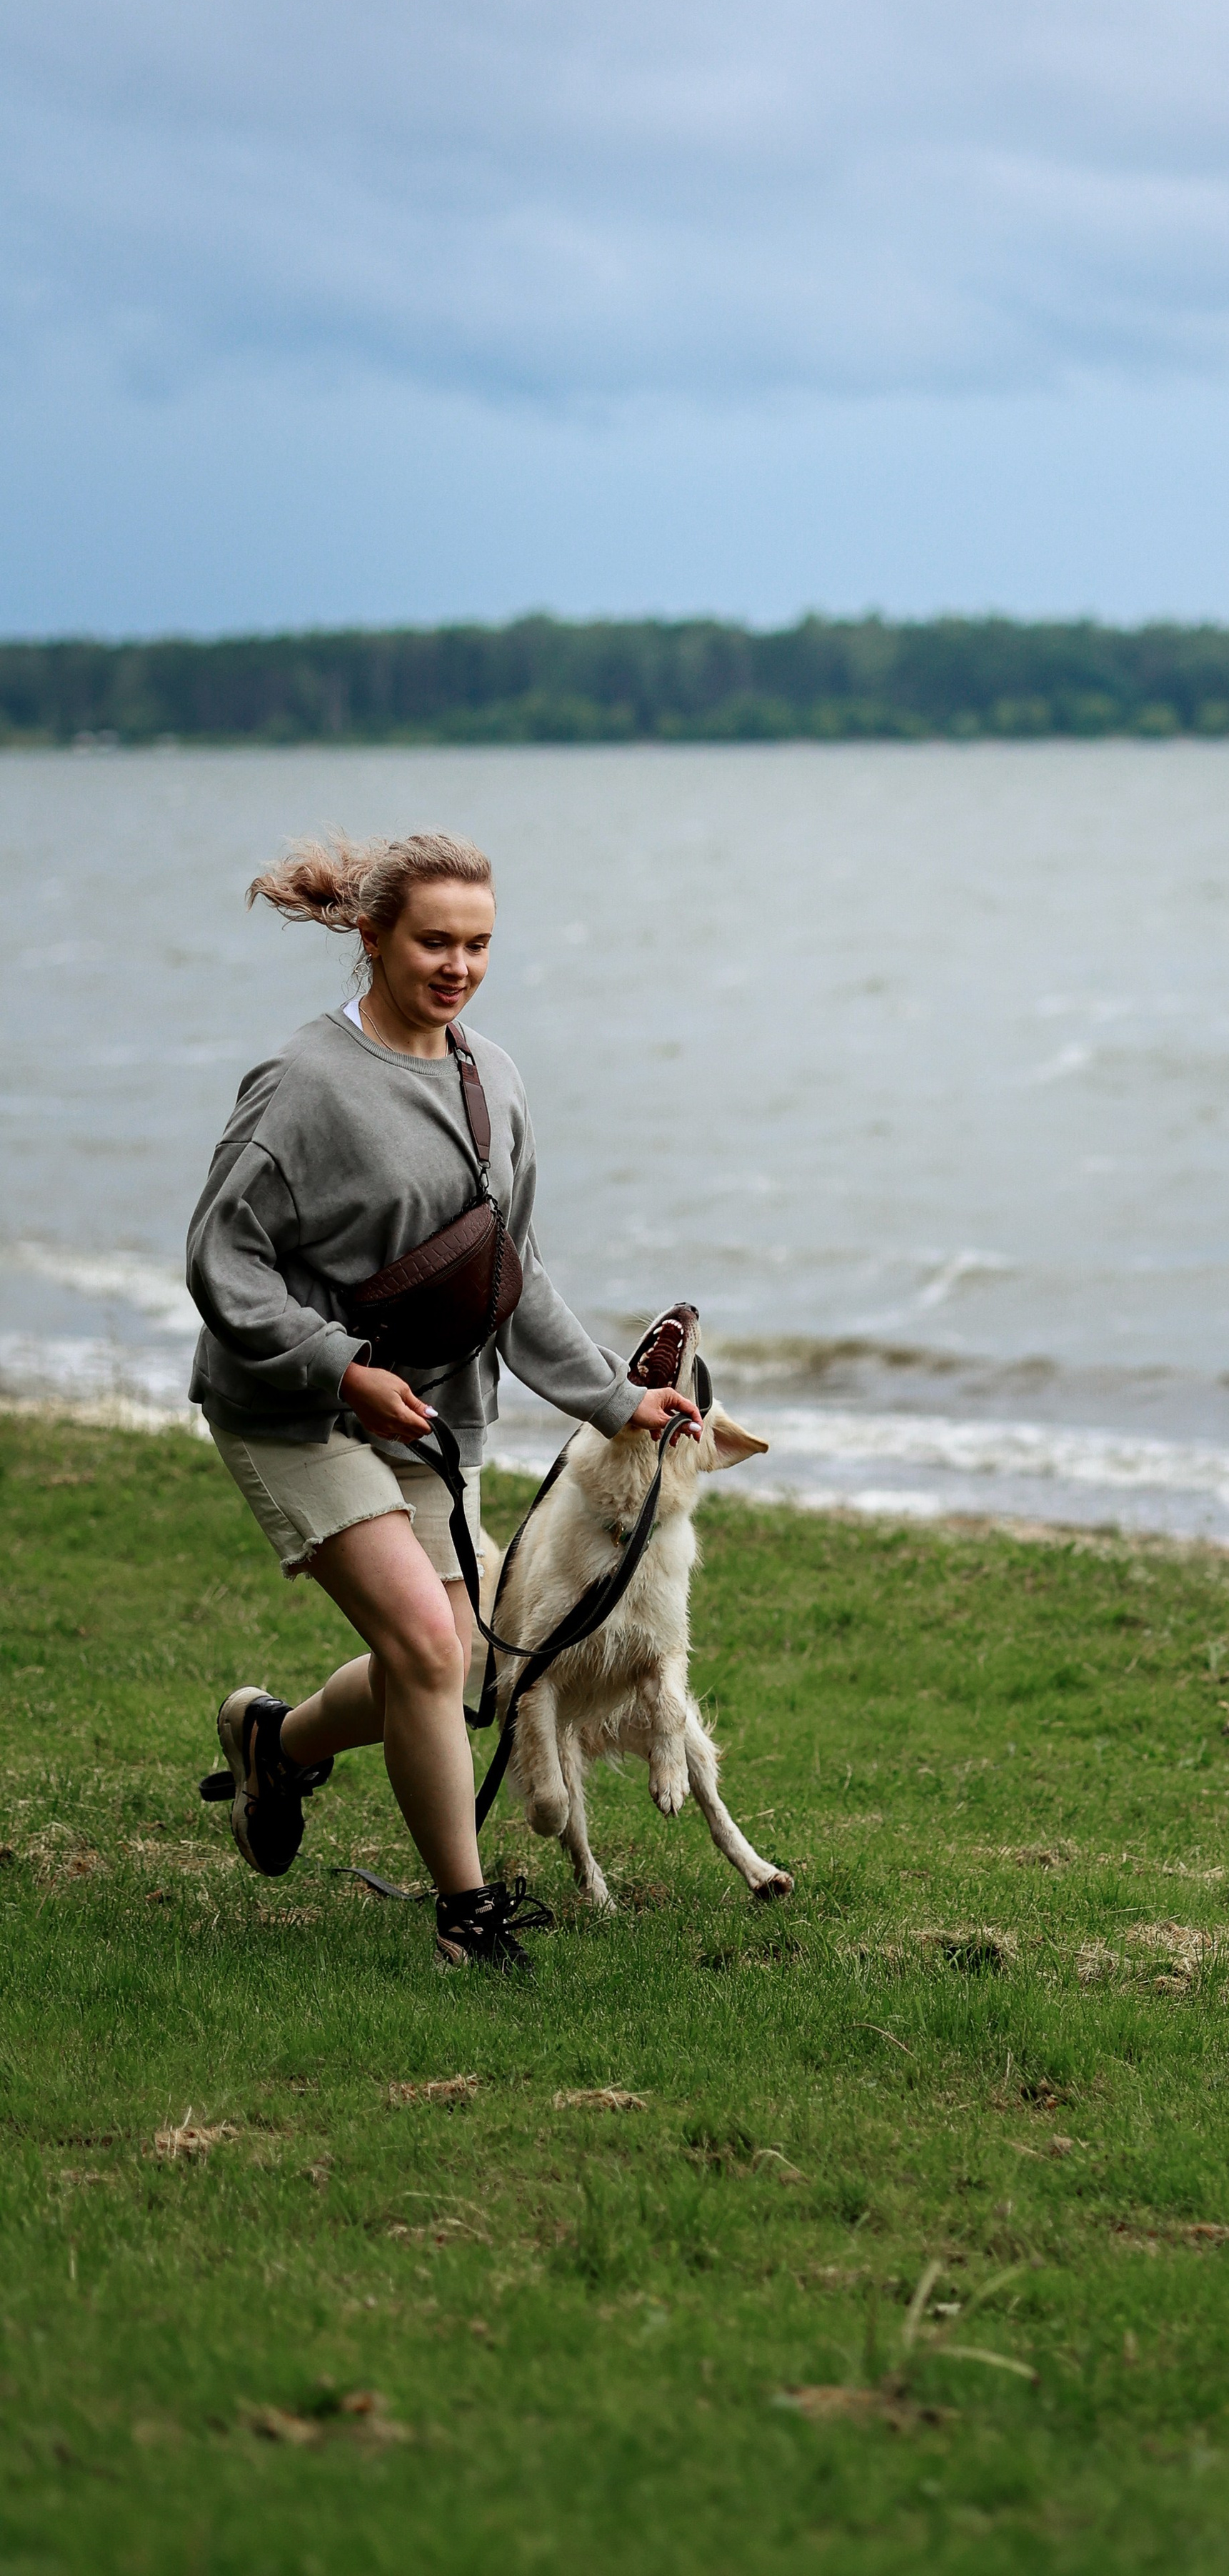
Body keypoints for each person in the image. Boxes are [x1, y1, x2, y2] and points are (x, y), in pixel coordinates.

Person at [188, 830, 699, 1972]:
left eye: (478, 943)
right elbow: (222, 1261)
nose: (458, 965)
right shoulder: (302, 1084)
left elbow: (510, 1271)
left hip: (428, 1414)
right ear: (372, 939)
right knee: (425, 1641)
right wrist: (338, 1366)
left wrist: (617, 1398)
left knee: (456, 1658)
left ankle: (276, 1742)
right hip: (293, 1406)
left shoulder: (494, 1077)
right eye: (434, 942)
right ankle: (467, 1917)